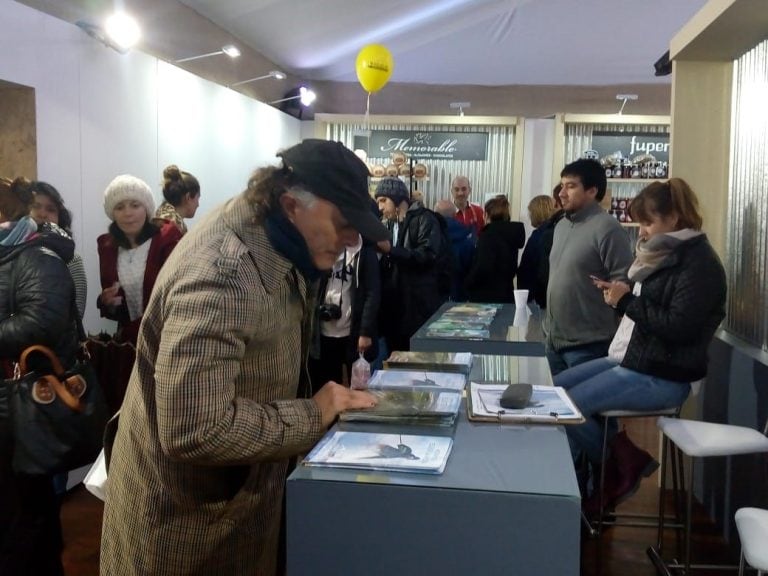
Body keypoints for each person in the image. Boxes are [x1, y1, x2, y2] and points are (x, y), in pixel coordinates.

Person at [100, 140, 385, 575]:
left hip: (227, 508)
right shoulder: (224, 274)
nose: (352, 240)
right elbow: (195, 427)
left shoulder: (269, 233)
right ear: (292, 204)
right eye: (344, 222)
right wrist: (313, 413)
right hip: (186, 529)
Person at [554, 178, 726, 514]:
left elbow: (678, 327)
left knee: (565, 408)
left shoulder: (699, 264)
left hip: (666, 375)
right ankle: (621, 461)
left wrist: (624, 302)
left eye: (648, 223)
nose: (642, 232)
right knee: (554, 391)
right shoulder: (667, 256)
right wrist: (623, 294)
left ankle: (616, 466)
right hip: (642, 361)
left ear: (674, 218)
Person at [1, 176, 79, 575]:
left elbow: (42, 325)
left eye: (49, 207)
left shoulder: (42, 254)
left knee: (31, 508)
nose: (40, 213)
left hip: (30, 393)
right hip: (14, 396)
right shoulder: (13, 252)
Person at [546, 160, 633, 375]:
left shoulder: (608, 228)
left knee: (582, 407)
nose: (562, 193)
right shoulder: (561, 226)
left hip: (589, 346)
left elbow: (623, 283)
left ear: (592, 191)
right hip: (554, 343)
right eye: (562, 185)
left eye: (571, 186)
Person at [97, 174, 182, 346]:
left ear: (147, 209)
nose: (128, 213)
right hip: (130, 347)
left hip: (166, 339)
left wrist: (130, 333)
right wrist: (106, 302)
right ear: (112, 213)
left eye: (135, 205)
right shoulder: (108, 248)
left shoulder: (167, 240)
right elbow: (116, 307)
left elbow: (174, 298)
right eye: (120, 207)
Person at [375, 177, 449, 352]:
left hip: (417, 308)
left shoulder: (424, 219)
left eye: (384, 200)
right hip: (394, 309)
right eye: (378, 202)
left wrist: (391, 251)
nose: (380, 207)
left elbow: (428, 255)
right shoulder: (387, 225)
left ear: (398, 199)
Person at [309, 231, 381, 392]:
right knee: (327, 387)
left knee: (358, 386)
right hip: (324, 332)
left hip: (353, 333)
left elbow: (372, 293)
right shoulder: (323, 247)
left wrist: (365, 332)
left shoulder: (365, 252)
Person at [28, 180, 88, 319]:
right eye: (35, 206)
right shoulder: (9, 253)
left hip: (59, 338)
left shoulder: (72, 260)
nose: (42, 214)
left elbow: (76, 314)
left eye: (50, 209)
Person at [465, 195, 525, 303]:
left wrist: (468, 282)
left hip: (485, 295)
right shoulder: (512, 234)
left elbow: (483, 266)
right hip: (506, 292)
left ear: (486, 214)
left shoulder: (488, 235)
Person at [517, 194, 557, 307]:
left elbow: (527, 269)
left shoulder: (538, 237)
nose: (529, 216)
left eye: (530, 212)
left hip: (537, 297)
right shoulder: (558, 231)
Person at [434, 198, 474, 301]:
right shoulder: (466, 236)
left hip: (436, 294)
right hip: (461, 294)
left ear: (436, 215)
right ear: (454, 215)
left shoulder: (431, 236)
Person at [153, 164, 201, 233]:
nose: (198, 204)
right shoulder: (174, 230)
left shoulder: (159, 219)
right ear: (188, 197)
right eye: (198, 198)